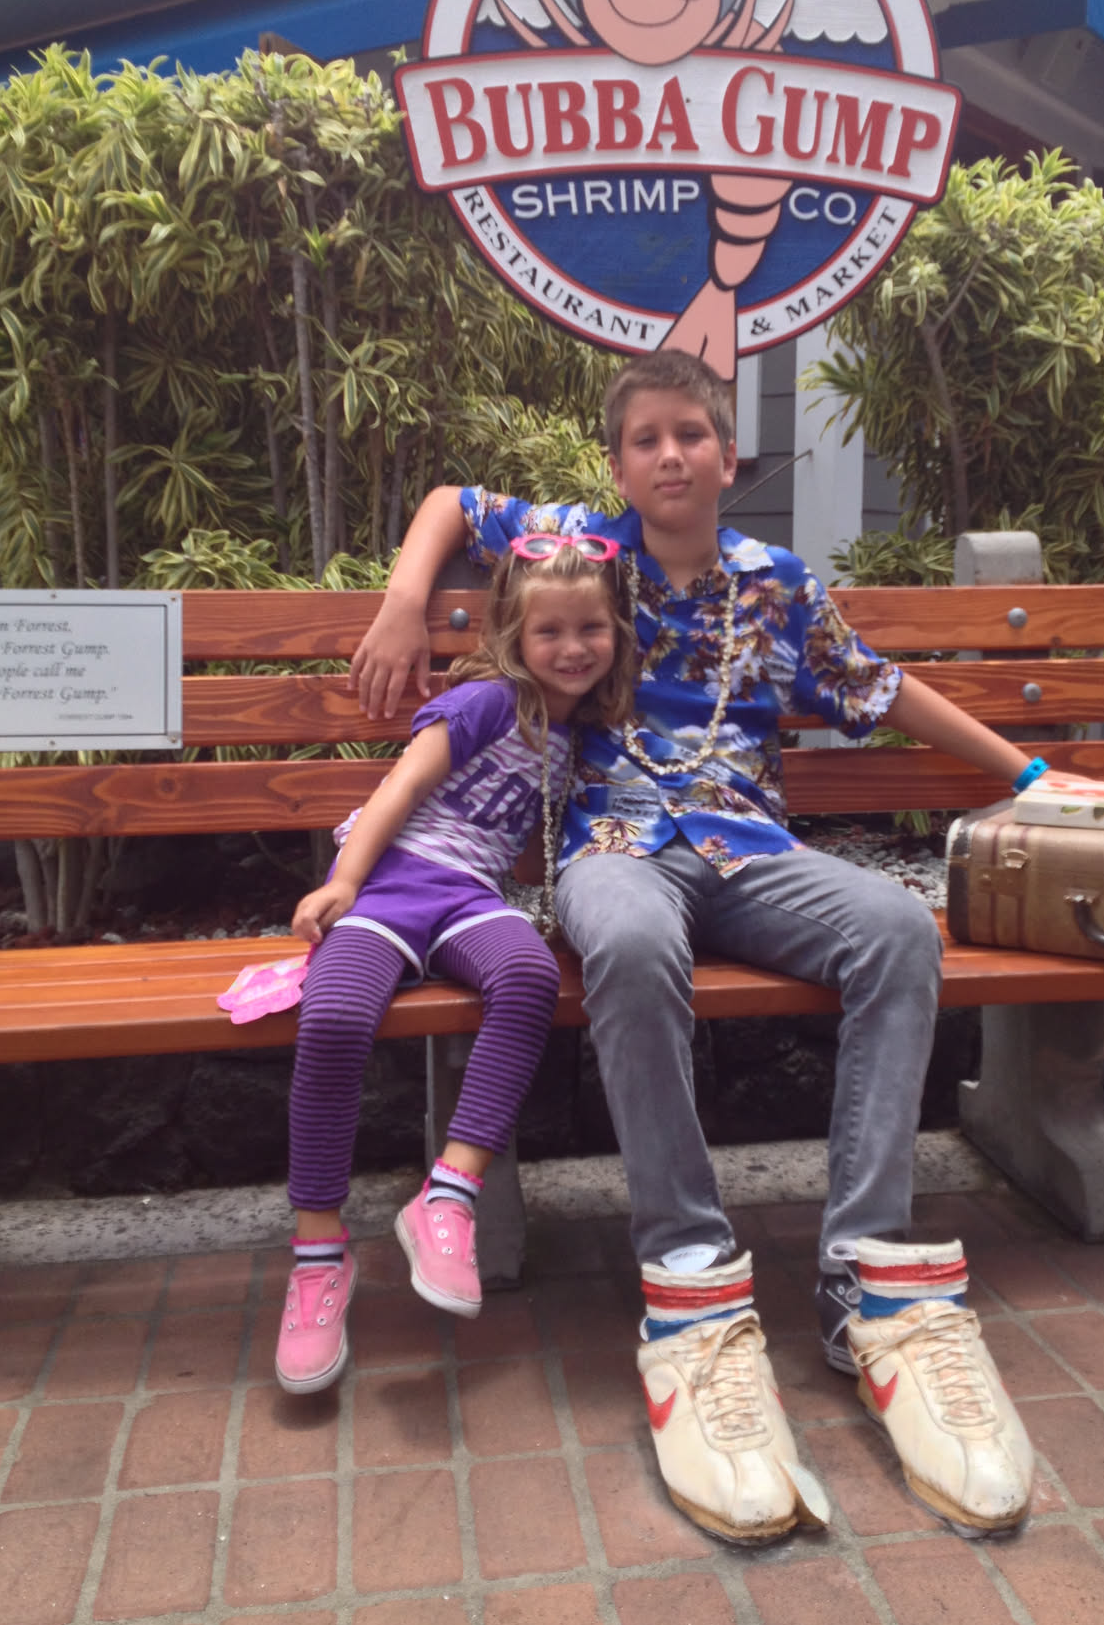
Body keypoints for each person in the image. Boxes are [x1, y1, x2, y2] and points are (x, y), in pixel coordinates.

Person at [349, 349, 1056, 1542]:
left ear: (730, 456)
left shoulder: (779, 585)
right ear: (619, 464)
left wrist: (1027, 772)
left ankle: (869, 1277)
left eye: (691, 434)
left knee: (896, 928)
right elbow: (453, 504)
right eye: (646, 440)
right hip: (615, 846)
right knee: (627, 941)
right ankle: (687, 1278)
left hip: (750, 850)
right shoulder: (587, 552)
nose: (670, 455)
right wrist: (403, 598)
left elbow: (876, 689)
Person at [275, 539, 638, 1396]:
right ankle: (318, 1256)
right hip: (391, 887)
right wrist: (345, 882)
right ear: (515, 633)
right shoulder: (486, 701)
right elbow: (401, 789)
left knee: (529, 976)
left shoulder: (579, 736)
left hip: (470, 898)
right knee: (334, 1015)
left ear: (617, 633)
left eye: (591, 628)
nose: (573, 647)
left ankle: (448, 1195)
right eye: (550, 631)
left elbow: (518, 851)